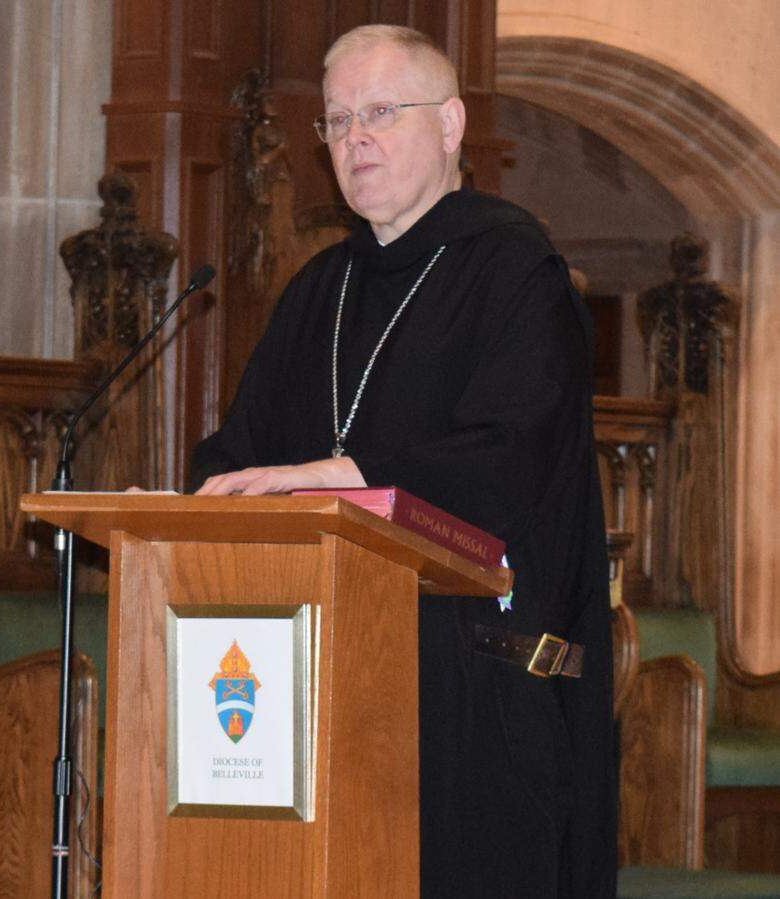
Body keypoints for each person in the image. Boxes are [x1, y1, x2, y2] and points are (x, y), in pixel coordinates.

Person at [190, 24, 615, 899]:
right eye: (338, 121)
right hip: (316, 696)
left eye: (382, 112)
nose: (355, 139)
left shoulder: (518, 272)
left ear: (452, 125)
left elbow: (508, 458)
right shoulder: (317, 291)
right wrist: (199, 499)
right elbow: (244, 452)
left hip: (474, 700)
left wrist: (339, 477)